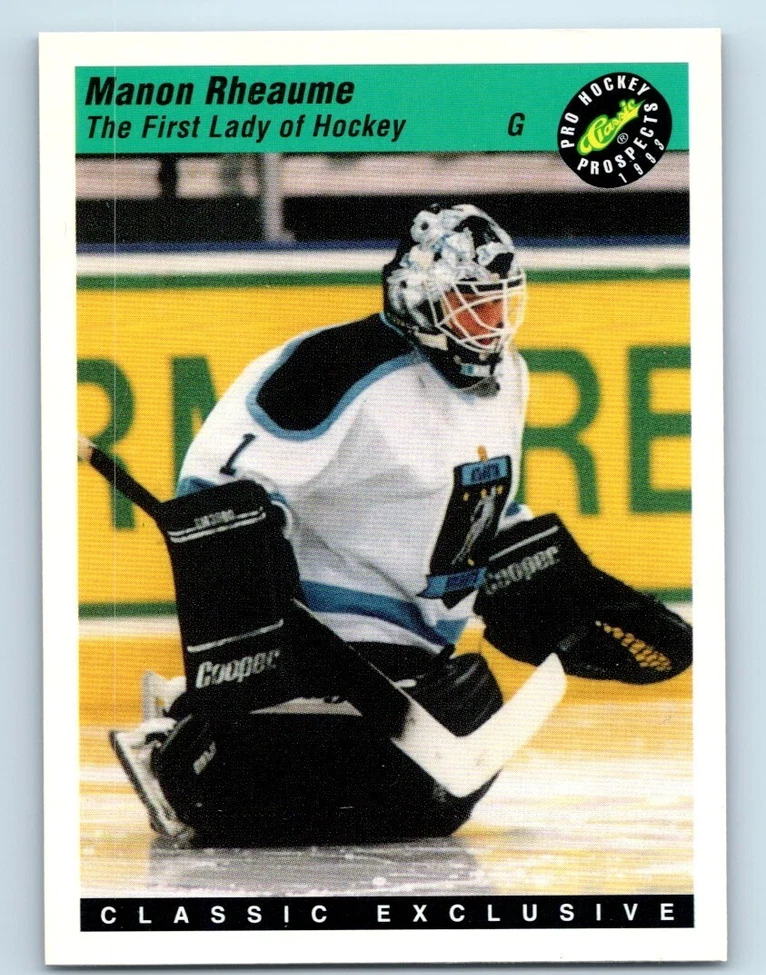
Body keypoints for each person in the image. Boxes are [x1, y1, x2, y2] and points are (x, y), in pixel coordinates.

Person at [111, 204, 693, 846]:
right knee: (310, 800)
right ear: (421, 299)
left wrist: (552, 586)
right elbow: (211, 485)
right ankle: (189, 741)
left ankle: (229, 752)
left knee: (435, 791)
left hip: (421, 660)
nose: (492, 324)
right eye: (472, 304)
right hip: (326, 644)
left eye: (501, 304)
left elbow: (478, 509)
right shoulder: (335, 366)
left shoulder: (509, 380)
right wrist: (253, 592)